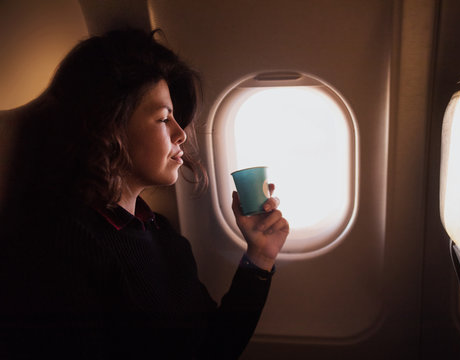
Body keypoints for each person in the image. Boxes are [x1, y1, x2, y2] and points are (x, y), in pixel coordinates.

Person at [0, 28, 289, 359]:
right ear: (109, 126)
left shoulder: (159, 232)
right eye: (164, 118)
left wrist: (260, 257)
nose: (180, 134)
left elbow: (214, 347)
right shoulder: (59, 247)